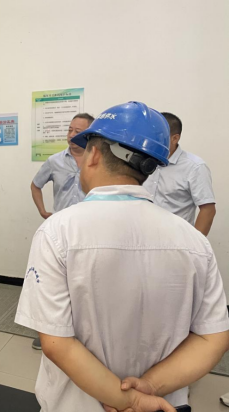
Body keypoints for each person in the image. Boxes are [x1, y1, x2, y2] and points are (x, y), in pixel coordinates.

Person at [15, 102, 229, 412]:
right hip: (163, 403)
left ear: (94, 155)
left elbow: (56, 342)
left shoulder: (58, 232)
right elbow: (214, 339)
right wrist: (149, 387)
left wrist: (128, 399)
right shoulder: (194, 241)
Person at [29, 112, 94, 349]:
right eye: (70, 130)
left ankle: (85, 333)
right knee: (58, 282)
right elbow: (35, 185)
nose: (72, 135)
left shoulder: (97, 161)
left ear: (90, 135)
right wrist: (43, 211)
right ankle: (52, 331)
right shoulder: (55, 161)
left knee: (85, 282)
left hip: (90, 230)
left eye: (78, 131)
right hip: (61, 231)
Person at [143, 112, 216, 236]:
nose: (150, 141)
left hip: (176, 240)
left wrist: (195, 243)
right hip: (142, 237)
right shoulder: (142, 160)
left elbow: (208, 210)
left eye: (157, 137)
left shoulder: (195, 167)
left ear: (175, 138)